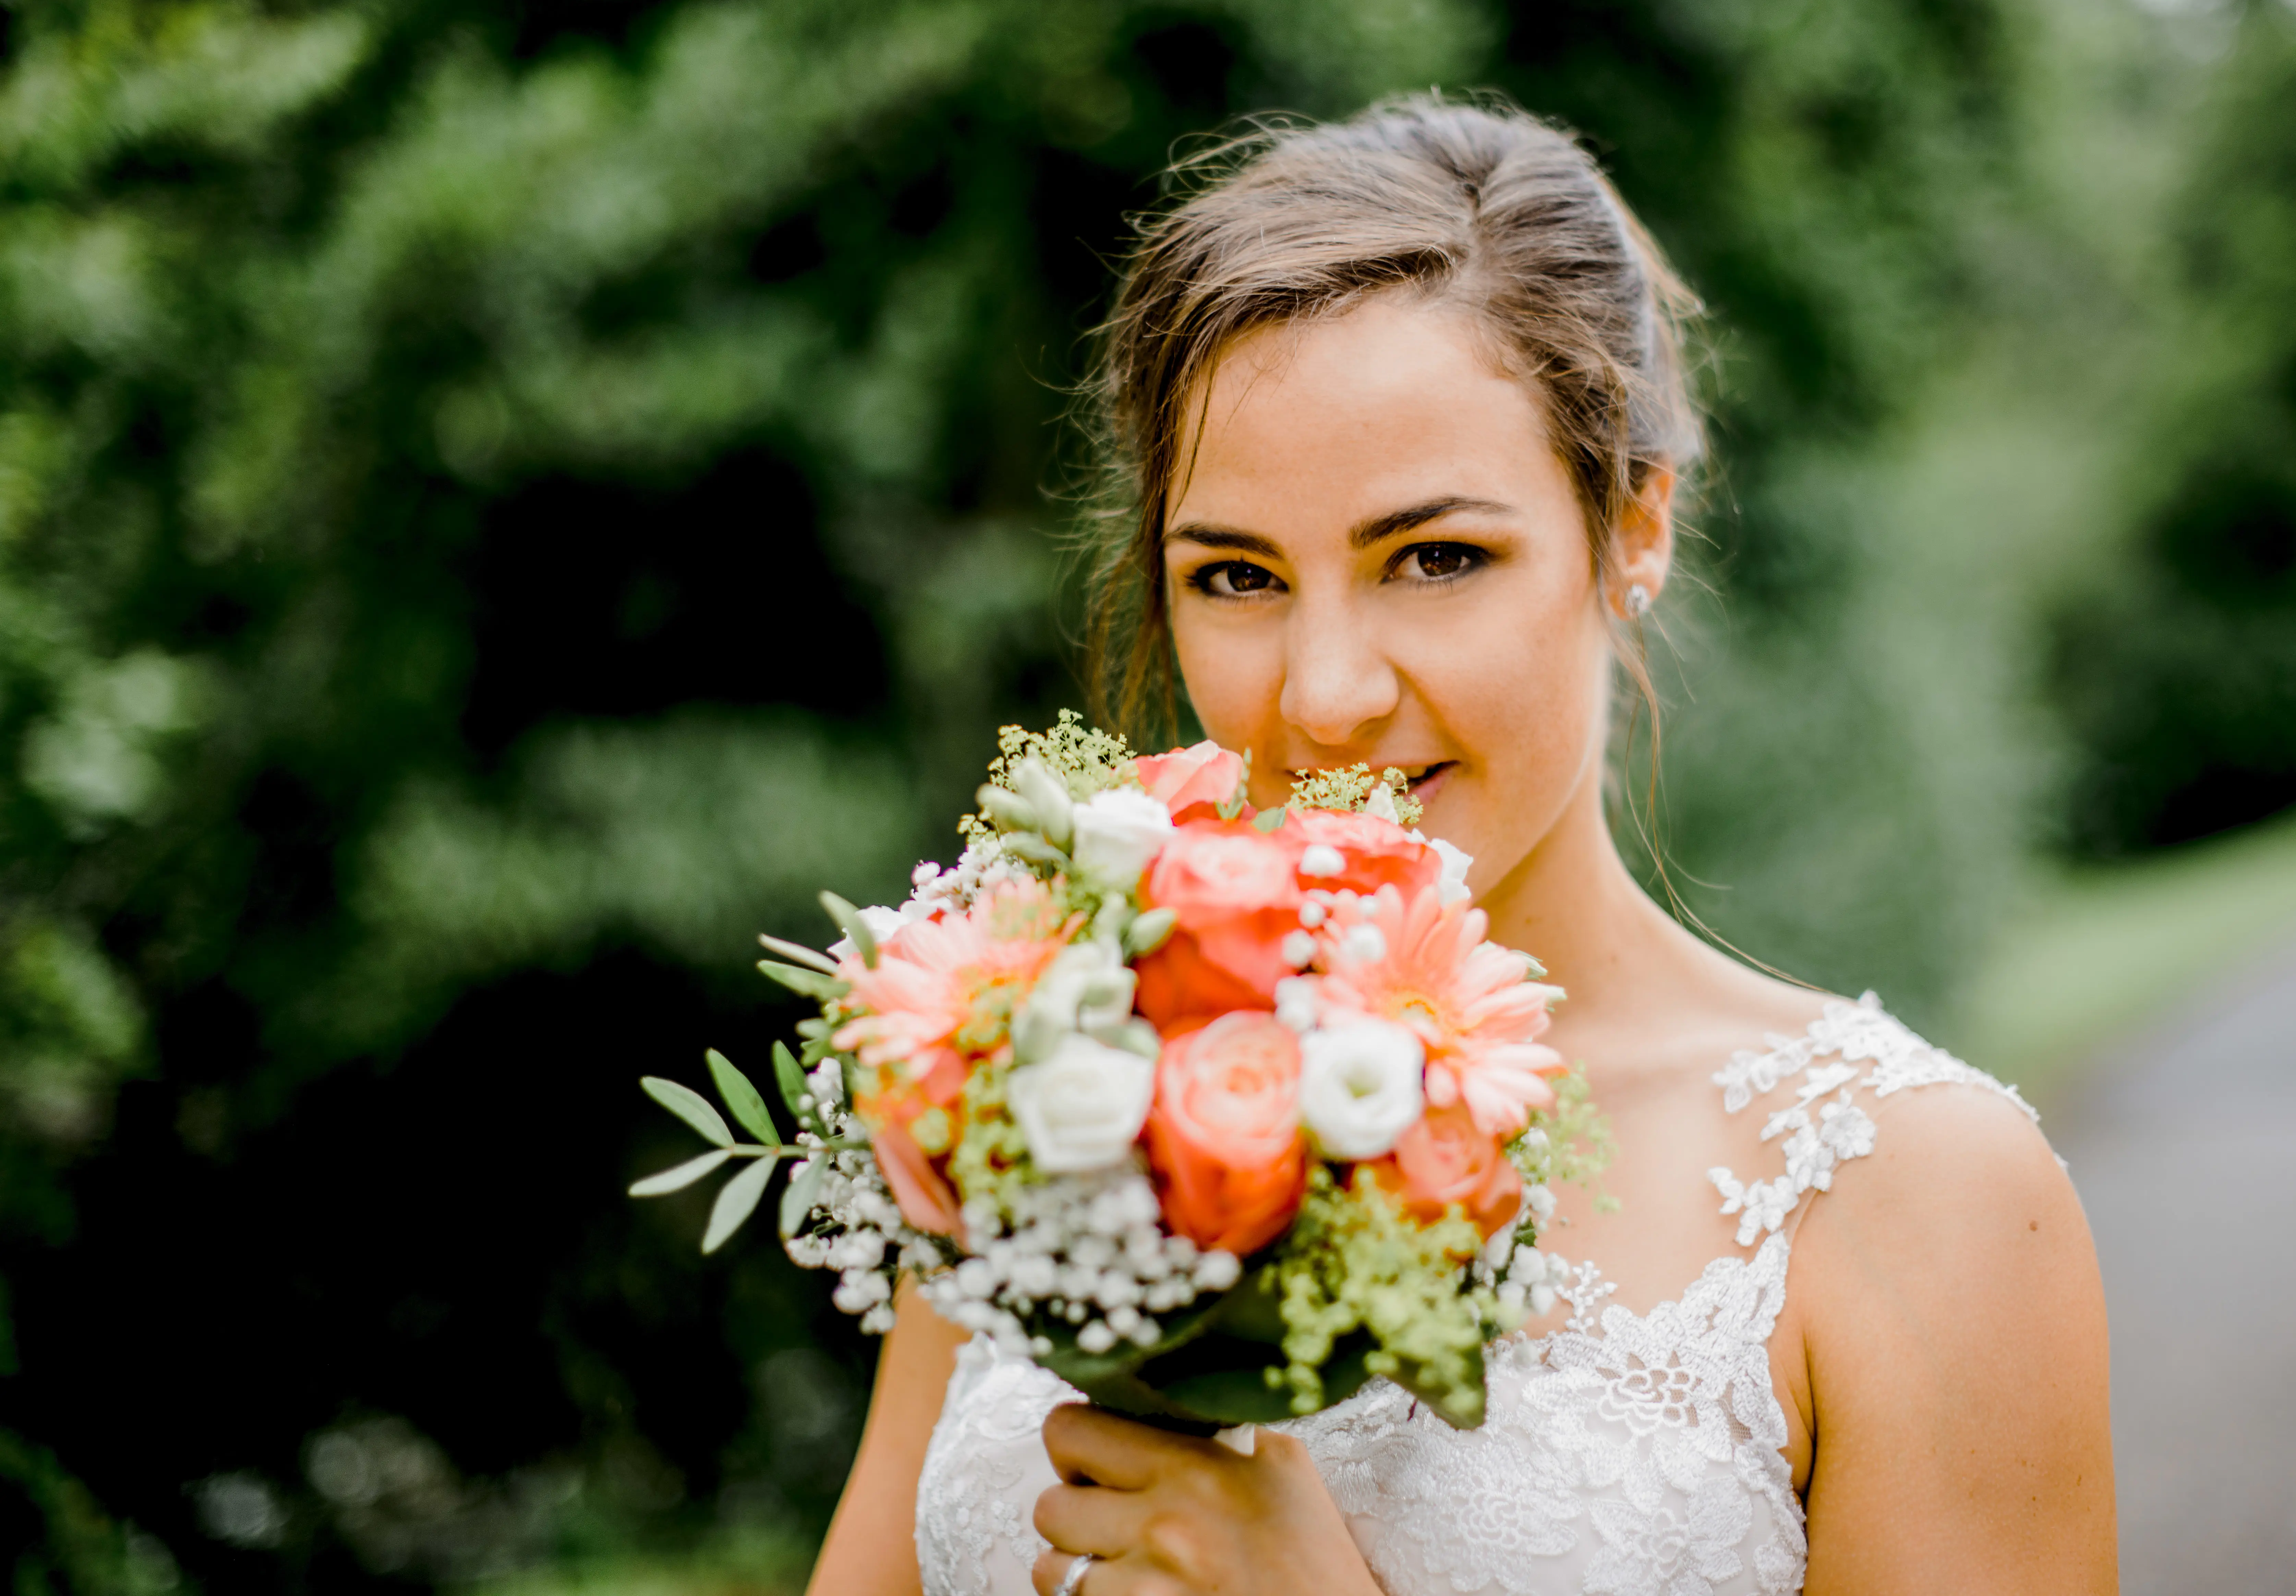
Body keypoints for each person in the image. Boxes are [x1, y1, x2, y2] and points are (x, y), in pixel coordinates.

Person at [806, 96, 2115, 1596]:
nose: (1325, 696)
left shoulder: (1917, 1195)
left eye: (1434, 558)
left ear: (1635, 527)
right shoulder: (1049, 1082)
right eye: (1237, 575)